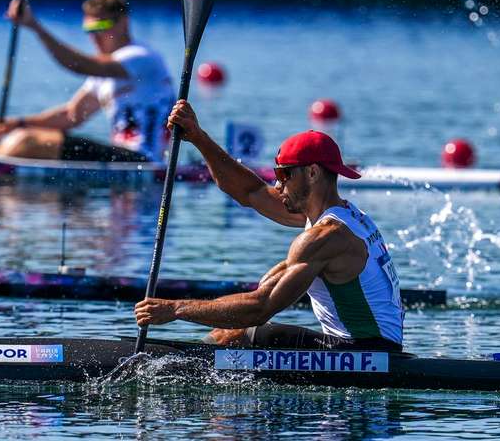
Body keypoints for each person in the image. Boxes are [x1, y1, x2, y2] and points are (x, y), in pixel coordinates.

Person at [134, 100, 404, 351]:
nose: (278, 184)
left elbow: (260, 308)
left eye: (283, 174)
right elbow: (249, 192)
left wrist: (176, 309)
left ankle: (174, 367)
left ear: (312, 173)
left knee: (237, 332)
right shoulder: (341, 215)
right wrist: (198, 137)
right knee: (236, 323)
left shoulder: (328, 236)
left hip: (366, 353)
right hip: (375, 347)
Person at [0, 0, 174, 162]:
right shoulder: (104, 72)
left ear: (123, 23)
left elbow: (79, 66)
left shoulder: (142, 57)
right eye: (89, 30)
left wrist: (35, 27)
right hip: (122, 158)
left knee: (27, 141)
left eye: (101, 26)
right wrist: (18, 124)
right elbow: (71, 116)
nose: (94, 37)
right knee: (23, 136)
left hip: (144, 159)